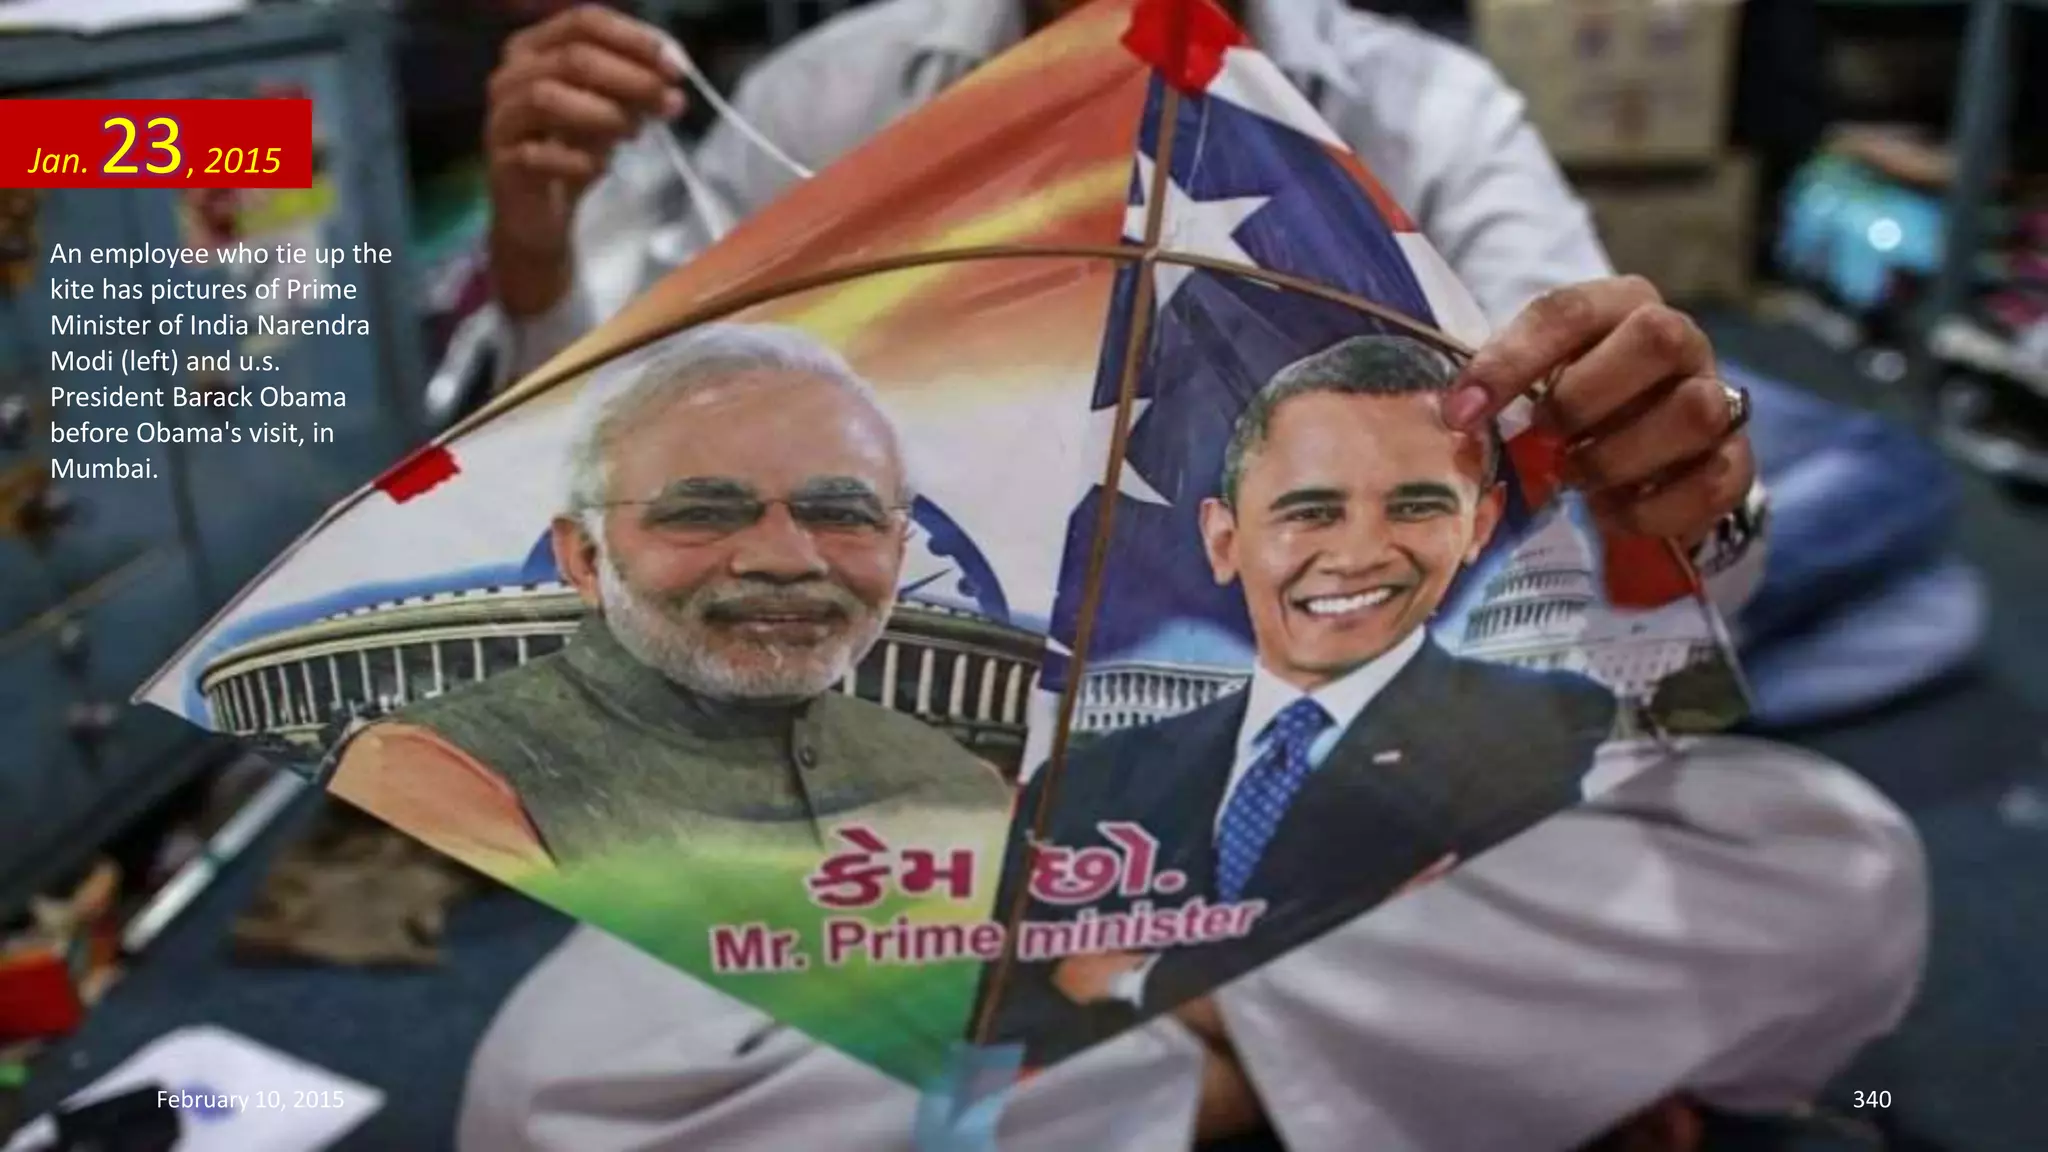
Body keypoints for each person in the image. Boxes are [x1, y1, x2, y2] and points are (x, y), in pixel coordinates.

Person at [452, 1, 1928, 1148]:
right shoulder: (827, 93)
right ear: (1224, 530)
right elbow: (611, 484)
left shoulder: (1426, 108)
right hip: (930, 821)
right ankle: (1410, 1083)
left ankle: (1104, 1086)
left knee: (1836, 874)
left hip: (1378, 817)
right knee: (548, 1098)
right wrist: (540, 260)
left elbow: (1618, 604)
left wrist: (1673, 477)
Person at [979, 333, 1626, 1065]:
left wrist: (1135, 980)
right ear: (1224, 540)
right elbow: (999, 1030)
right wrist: (1321, 969)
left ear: (1478, 525)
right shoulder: (1084, 788)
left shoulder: (1545, 731)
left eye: (1416, 506)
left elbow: (1464, 1009)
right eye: (1311, 512)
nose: (1358, 555)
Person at [329, 322, 1009, 875]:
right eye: (705, 513)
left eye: (841, 513)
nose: (785, 559)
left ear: (898, 550)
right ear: (584, 557)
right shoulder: (443, 772)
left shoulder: (958, 785)